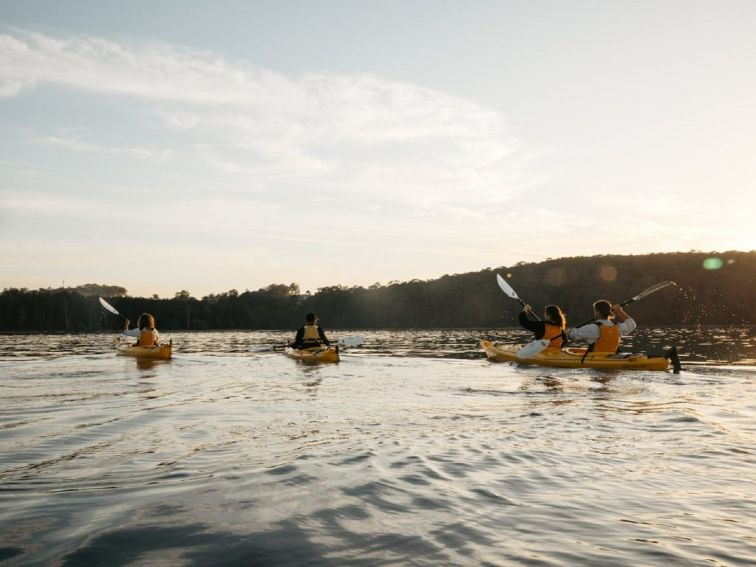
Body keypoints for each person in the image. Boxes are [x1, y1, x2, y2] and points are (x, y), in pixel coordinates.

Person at [567, 300, 636, 354]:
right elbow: (632, 324)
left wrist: (568, 331)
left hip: (595, 359)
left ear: (597, 312)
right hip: (611, 357)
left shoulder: (592, 328)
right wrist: (620, 312)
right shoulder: (618, 327)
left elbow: (573, 334)